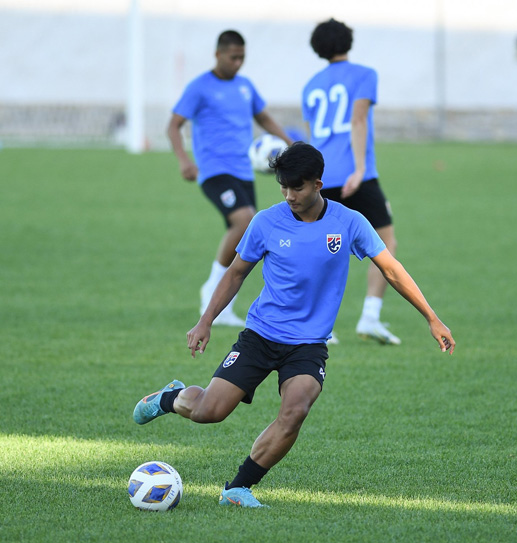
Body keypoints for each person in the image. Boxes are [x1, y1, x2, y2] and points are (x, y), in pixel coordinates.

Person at [133, 142, 456, 508]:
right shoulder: (266, 222)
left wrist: (432, 318)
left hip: (308, 344)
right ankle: (170, 398)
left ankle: (238, 488)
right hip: (260, 335)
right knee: (210, 412)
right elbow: (236, 273)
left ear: (318, 184)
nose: (289, 195)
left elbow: (392, 270)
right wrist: (205, 321)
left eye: (297, 187)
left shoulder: (349, 222)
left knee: (295, 411)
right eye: (283, 187)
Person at [167, 30, 293, 326]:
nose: (238, 63)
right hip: (213, 171)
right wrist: (184, 160)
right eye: (233, 57)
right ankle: (211, 290)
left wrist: (291, 145)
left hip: (244, 171)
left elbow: (263, 118)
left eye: (242, 58)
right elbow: (173, 125)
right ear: (218, 54)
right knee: (245, 221)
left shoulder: (245, 86)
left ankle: (225, 306)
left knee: (249, 236)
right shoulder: (199, 87)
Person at [302, 18, 400, 345]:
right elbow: (358, 120)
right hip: (356, 175)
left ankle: (318, 326)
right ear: (348, 41)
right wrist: (358, 170)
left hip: (321, 176)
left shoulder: (311, 85)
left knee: (321, 250)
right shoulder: (365, 74)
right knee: (384, 243)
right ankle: (370, 316)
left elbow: (311, 137)